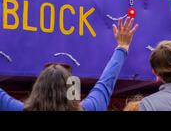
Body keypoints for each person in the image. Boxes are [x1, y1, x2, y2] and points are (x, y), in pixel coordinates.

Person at [0, 17, 138, 111]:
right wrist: (123, 46)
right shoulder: (88, 108)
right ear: (70, 90)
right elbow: (106, 82)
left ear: (37, 89)